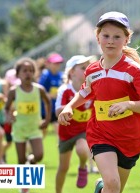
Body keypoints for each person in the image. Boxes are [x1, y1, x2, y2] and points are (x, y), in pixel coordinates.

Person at [58, 11, 140, 193]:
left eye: (117, 36)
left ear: (126, 39)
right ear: (98, 38)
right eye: (106, 35)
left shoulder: (135, 71)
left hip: (130, 140)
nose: (110, 41)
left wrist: (128, 105)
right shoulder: (92, 71)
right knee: (113, 184)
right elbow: (84, 92)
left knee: (114, 189)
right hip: (101, 134)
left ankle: (100, 189)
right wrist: (69, 107)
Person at [4, 57, 51, 193]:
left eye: (31, 70)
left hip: (34, 128)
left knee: (39, 155)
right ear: (18, 74)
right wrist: (9, 116)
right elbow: (7, 107)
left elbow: (48, 102)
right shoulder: (14, 91)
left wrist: (47, 120)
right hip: (19, 128)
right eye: (24, 71)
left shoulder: (39, 89)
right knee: (20, 159)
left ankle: (31, 161)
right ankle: (24, 187)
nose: (28, 73)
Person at [55, 55, 94, 193]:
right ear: (72, 72)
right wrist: (68, 108)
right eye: (82, 68)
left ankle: (83, 166)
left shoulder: (92, 89)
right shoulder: (64, 90)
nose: (86, 70)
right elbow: (57, 111)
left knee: (82, 149)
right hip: (65, 133)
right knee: (63, 167)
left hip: (83, 131)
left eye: (87, 67)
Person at [38, 52, 64, 137]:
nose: (57, 65)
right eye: (55, 63)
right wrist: (51, 95)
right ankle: (32, 149)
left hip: (55, 109)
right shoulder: (46, 75)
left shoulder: (61, 76)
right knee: (42, 133)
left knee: (59, 131)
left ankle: (61, 149)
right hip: (44, 110)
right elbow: (39, 91)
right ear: (48, 64)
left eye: (59, 63)